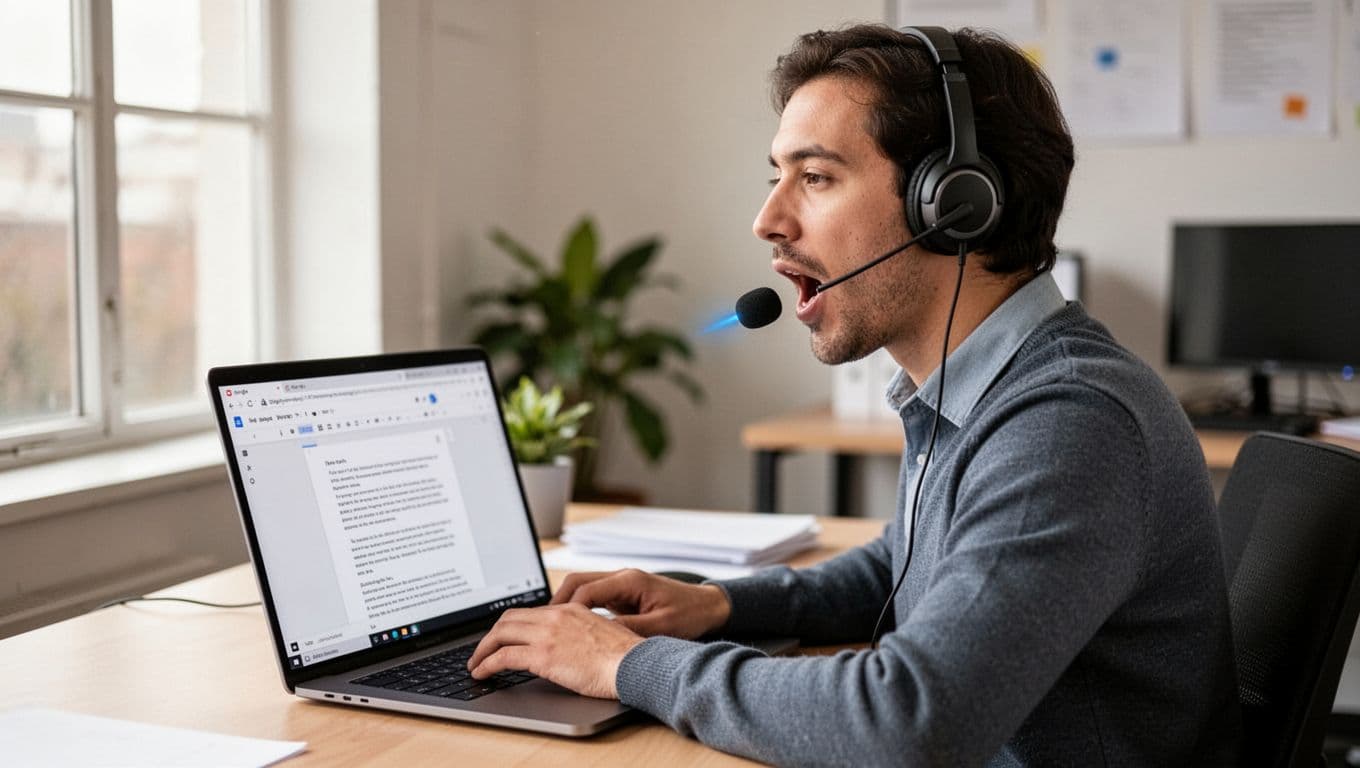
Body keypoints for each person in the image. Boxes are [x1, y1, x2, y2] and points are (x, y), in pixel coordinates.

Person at [467, 24, 1241, 766]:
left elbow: (911, 720)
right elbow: (909, 566)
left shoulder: (1070, 421)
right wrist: (722, 607)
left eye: (814, 177)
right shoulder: (983, 387)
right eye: (777, 177)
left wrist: (632, 667)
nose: (767, 220)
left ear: (953, 204)